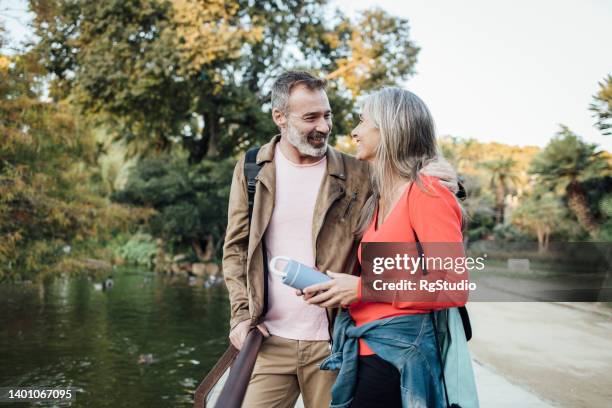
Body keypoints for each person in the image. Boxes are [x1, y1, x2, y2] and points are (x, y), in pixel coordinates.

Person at [222, 72, 459, 408]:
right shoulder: (252, 169)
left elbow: (447, 275)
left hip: (340, 342)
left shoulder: (363, 174)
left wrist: (440, 176)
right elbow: (235, 249)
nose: (326, 126)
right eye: (310, 117)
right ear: (279, 117)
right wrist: (241, 315)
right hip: (271, 340)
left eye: (327, 115)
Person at [302, 87, 468, 408]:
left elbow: (454, 288)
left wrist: (363, 289)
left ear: (389, 129)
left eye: (363, 122)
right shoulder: (380, 199)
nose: (354, 131)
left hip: (398, 357)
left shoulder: (427, 193)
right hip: (365, 349)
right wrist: (332, 288)